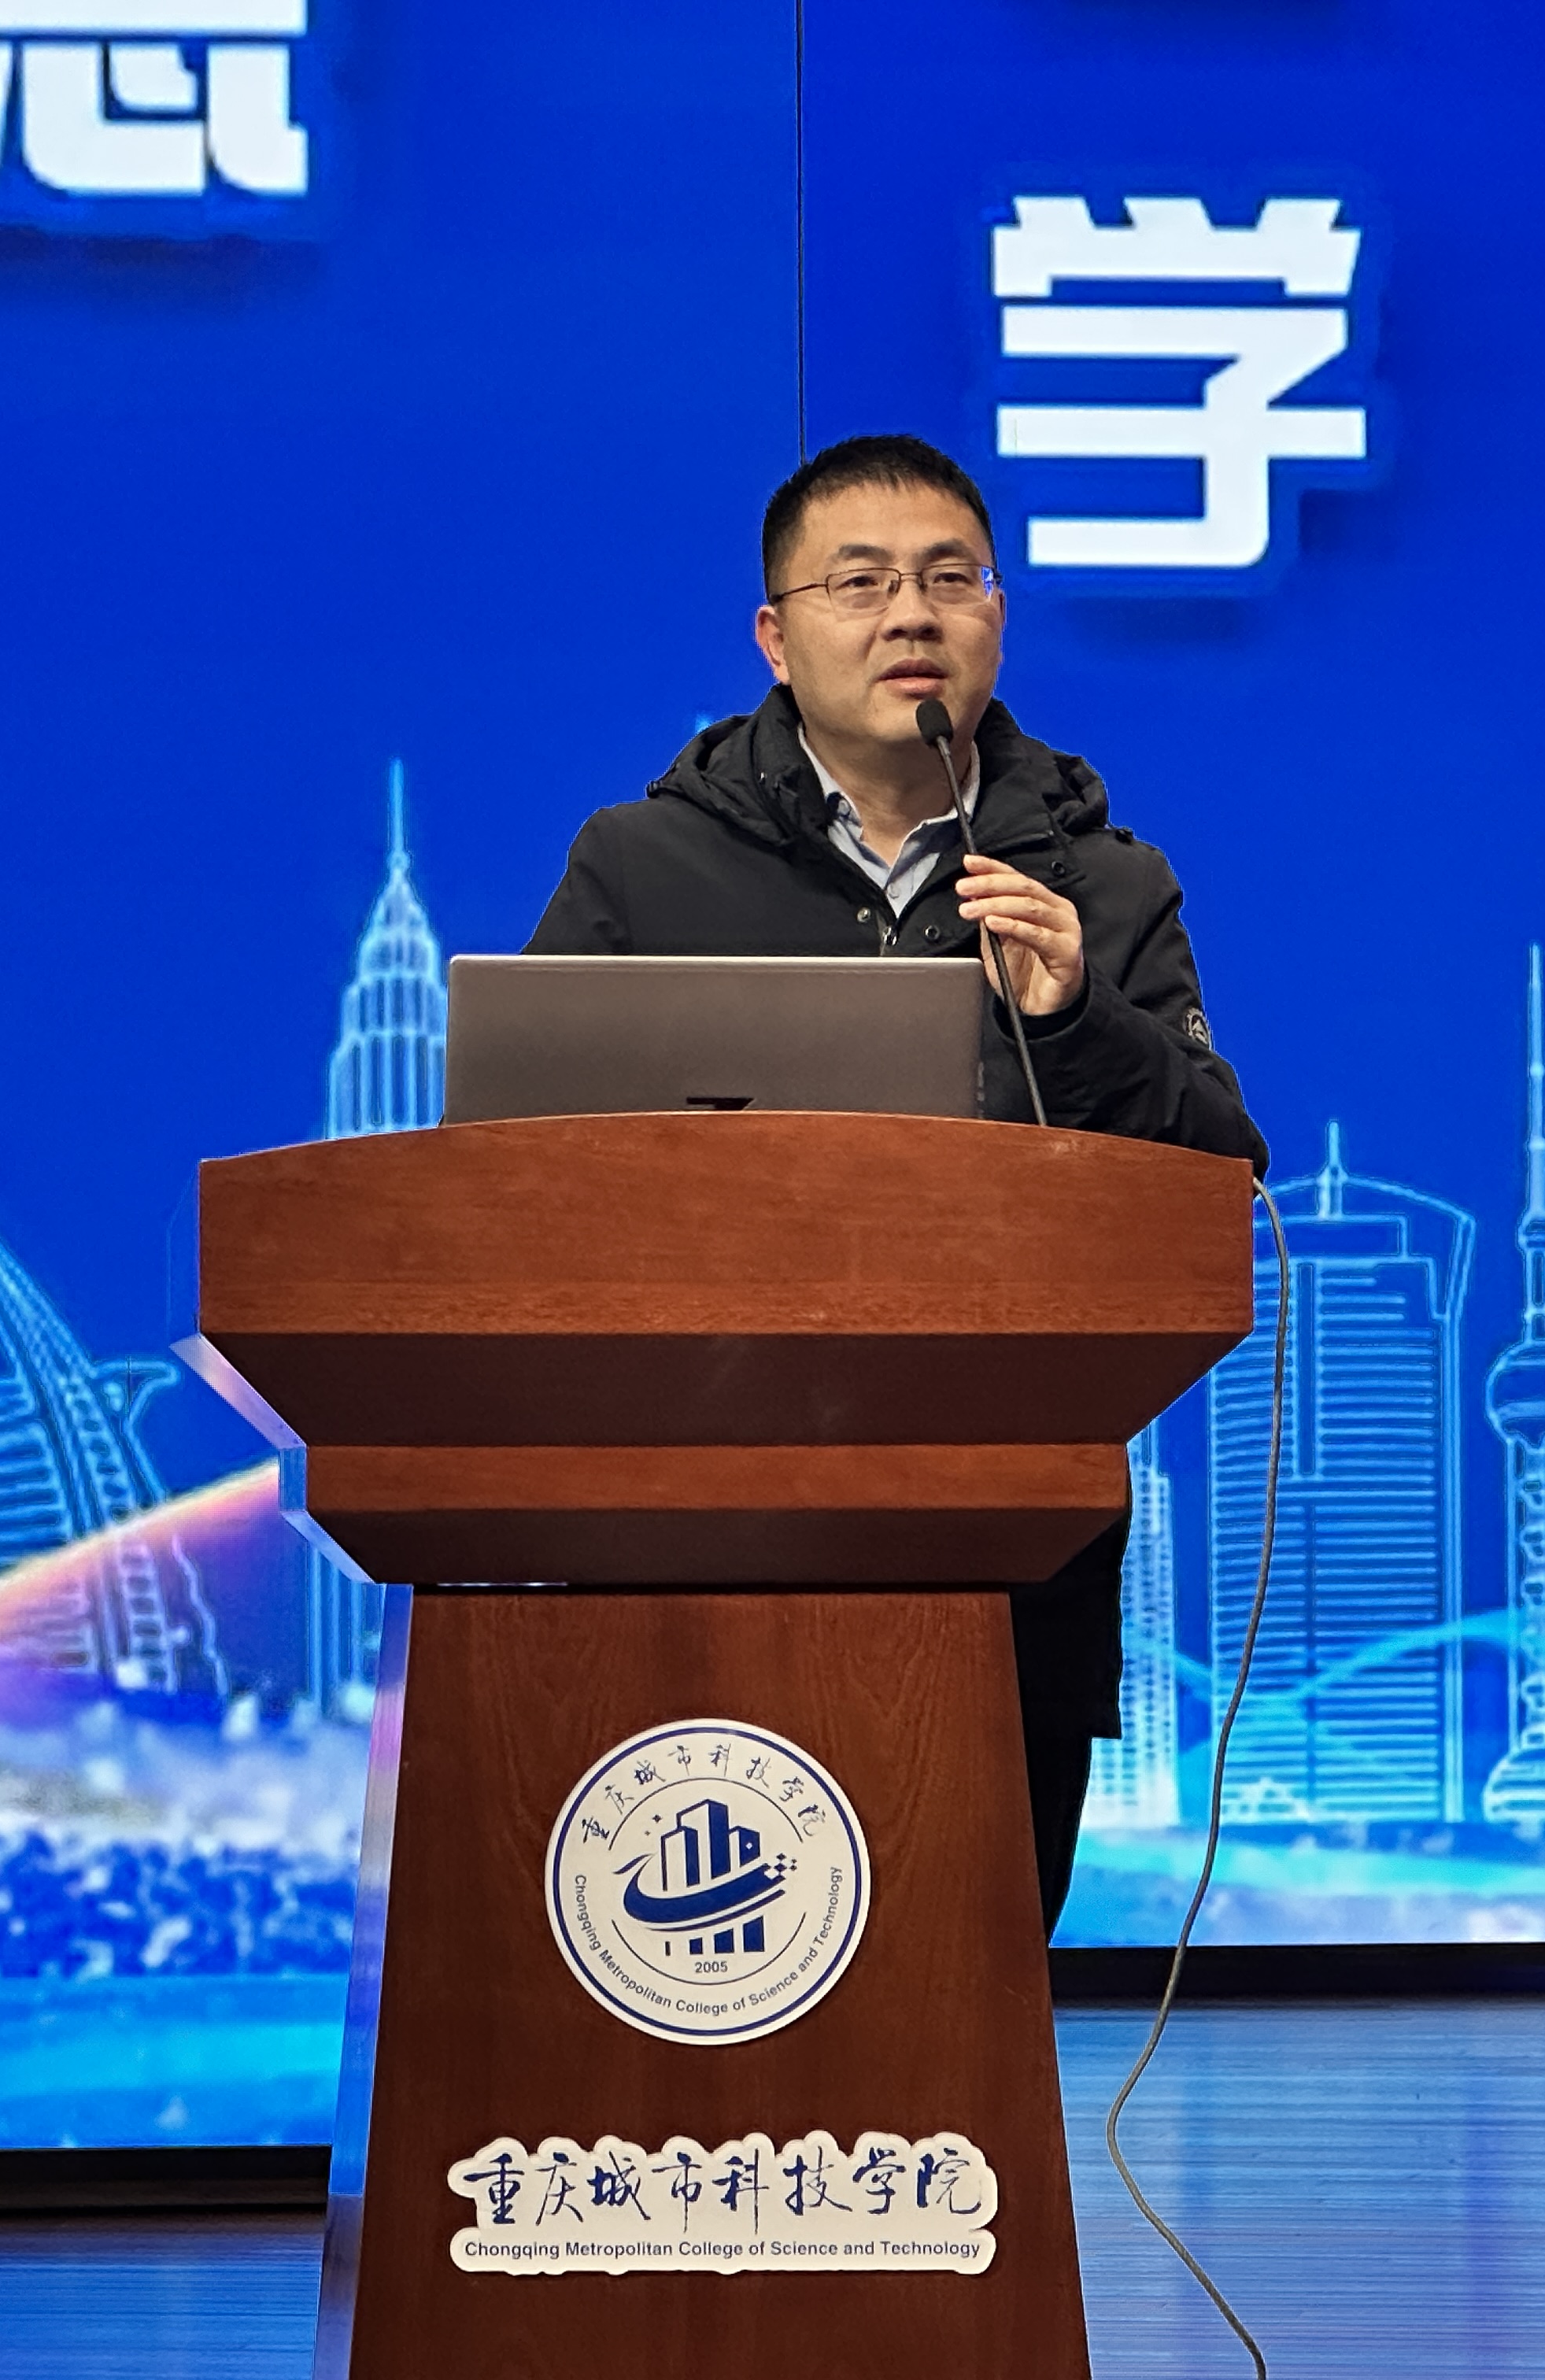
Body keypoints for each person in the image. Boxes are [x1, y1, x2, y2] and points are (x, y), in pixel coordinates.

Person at [525, 432, 1270, 1928]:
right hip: (692, 1513)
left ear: (997, 616)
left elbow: (1216, 1179)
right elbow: (520, 1175)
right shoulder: (642, 867)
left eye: (950, 580)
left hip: (1009, 1530)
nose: (911, 616)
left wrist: (1078, 1017)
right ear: (776, 636)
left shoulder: (1101, 884)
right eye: (859, 584)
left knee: (973, 1967)